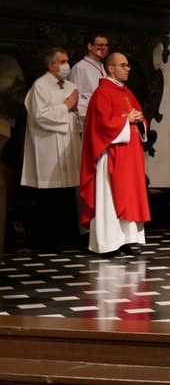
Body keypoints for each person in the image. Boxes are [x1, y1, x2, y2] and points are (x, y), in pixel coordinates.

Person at [80, 52, 150, 256]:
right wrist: (126, 120)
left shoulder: (127, 92)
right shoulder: (102, 93)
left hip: (130, 155)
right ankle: (108, 243)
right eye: (124, 65)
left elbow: (140, 119)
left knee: (129, 196)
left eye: (128, 65)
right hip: (111, 154)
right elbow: (101, 125)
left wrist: (139, 120)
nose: (128, 69)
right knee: (110, 198)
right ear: (111, 68)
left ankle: (126, 240)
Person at [21, 47, 82, 250]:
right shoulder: (40, 86)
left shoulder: (71, 85)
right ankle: (47, 240)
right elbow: (39, 115)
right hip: (47, 145)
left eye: (67, 60)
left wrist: (75, 108)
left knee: (67, 193)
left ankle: (69, 235)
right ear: (51, 65)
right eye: (62, 61)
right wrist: (66, 107)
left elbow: (78, 113)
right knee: (50, 194)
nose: (67, 65)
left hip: (68, 144)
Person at [70, 32, 108, 125]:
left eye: (106, 45)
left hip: (103, 113)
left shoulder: (102, 66)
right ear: (90, 46)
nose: (105, 49)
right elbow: (76, 96)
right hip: (89, 115)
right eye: (101, 45)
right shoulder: (80, 67)